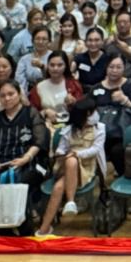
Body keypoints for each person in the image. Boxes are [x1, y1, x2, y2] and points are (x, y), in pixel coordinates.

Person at [0, 81, 44, 234]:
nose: (7, 98)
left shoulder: (31, 113)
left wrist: (25, 158)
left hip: (30, 163)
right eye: (3, 96)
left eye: (11, 94)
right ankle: (9, 237)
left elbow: (40, 141)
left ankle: (26, 234)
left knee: (18, 188)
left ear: (19, 94)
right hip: (1, 166)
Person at [37, 99, 107, 235]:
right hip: (65, 167)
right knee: (70, 163)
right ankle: (49, 224)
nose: (95, 114)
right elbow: (61, 149)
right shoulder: (68, 130)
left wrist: (76, 154)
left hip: (86, 168)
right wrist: (61, 154)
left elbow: (96, 149)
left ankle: (47, 226)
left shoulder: (100, 129)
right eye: (91, 113)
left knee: (59, 185)